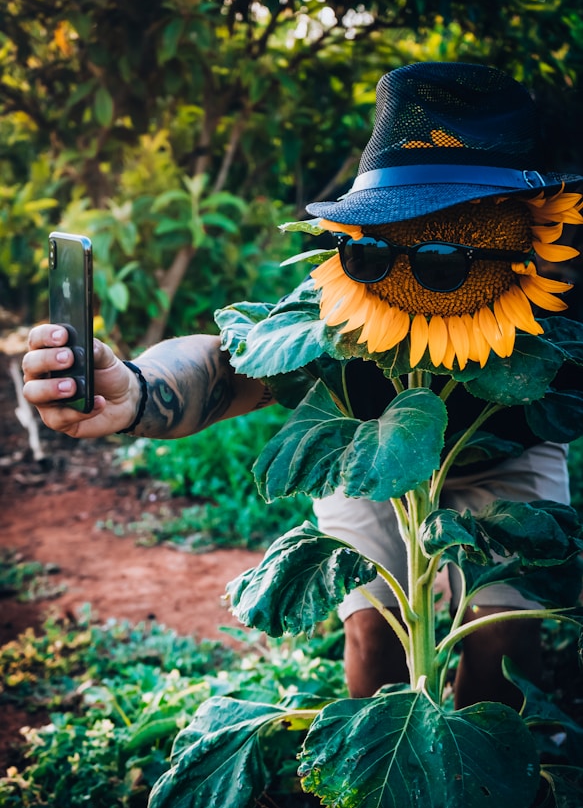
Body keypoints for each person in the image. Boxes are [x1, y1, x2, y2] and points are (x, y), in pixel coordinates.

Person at [22, 62, 583, 708]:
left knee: (506, 637)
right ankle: (378, 777)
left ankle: (480, 784)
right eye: (378, 245)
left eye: (447, 254)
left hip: (506, 451)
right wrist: (140, 391)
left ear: (537, 233)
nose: (399, 271)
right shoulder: (351, 293)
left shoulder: (561, 320)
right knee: (374, 626)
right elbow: (236, 363)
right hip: (362, 455)